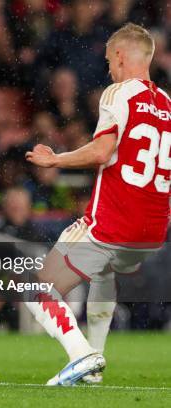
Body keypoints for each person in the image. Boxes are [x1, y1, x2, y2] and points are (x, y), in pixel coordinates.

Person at [25, 23, 170, 386]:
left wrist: (55, 160)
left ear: (120, 56)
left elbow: (103, 151)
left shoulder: (117, 93)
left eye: (108, 60)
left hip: (112, 223)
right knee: (103, 273)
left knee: (36, 288)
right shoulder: (168, 103)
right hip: (152, 232)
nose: (108, 68)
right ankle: (94, 368)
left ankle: (82, 355)